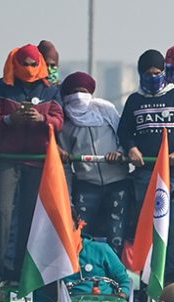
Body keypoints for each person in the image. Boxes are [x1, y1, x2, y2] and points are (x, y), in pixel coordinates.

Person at [117, 49, 174, 284]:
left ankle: (170, 279)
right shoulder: (135, 100)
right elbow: (124, 130)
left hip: (172, 175)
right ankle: (143, 280)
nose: (153, 77)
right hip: (144, 174)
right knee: (143, 229)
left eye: (157, 72)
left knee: (173, 229)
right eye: (148, 73)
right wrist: (131, 148)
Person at [0, 44, 64, 283]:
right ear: (14, 64)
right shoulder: (2, 86)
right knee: (3, 212)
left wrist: (42, 119)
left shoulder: (49, 89)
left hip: (37, 161)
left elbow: (60, 121)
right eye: (24, 65)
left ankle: (20, 269)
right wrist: (10, 119)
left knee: (30, 216)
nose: (29, 70)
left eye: (33, 64)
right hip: (7, 159)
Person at [58, 72, 131, 253]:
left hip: (117, 182)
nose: (79, 96)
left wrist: (120, 153)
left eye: (83, 91)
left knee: (116, 235)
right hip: (86, 185)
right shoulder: (65, 124)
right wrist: (67, 199)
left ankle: (116, 278)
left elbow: (125, 136)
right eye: (74, 92)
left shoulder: (105, 110)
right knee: (82, 237)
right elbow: (65, 165)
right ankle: (83, 277)